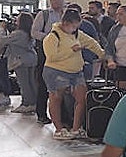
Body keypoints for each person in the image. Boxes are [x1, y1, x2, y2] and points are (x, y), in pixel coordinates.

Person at [42, 10, 105, 139]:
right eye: (74, 26)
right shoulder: (52, 37)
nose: (75, 29)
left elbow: (91, 42)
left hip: (76, 72)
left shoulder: (77, 34)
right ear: (65, 23)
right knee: (56, 98)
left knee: (81, 99)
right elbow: (52, 56)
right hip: (56, 71)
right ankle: (59, 129)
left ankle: (76, 128)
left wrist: (103, 54)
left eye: (77, 26)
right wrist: (72, 50)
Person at [32, 0, 68, 124]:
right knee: (43, 83)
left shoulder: (67, 14)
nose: (56, 2)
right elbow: (34, 32)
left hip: (64, 53)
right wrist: (49, 38)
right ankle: (41, 114)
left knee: (63, 83)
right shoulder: (44, 14)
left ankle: (64, 116)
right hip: (46, 52)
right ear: (50, 1)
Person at [6, 13, 38, 113]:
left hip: (21, 60)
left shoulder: (18, 33)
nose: (16, 21)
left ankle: (26, 103)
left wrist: (2, 29)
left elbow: (3, 40)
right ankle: (34, 103)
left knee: (24, 83)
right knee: (31, 82)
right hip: (31, 59)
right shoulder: (30, 33)